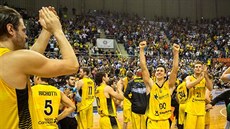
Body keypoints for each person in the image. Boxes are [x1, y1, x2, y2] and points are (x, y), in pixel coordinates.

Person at [0, 6, 79, 129]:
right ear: (10, 29)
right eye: (23, 30)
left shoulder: (10, 60)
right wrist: (57, 30)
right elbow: (73, 65)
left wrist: (46, 30)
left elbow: (30, 57)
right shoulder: (15, 59)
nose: (26, 36)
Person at [139, 41, 180, 129]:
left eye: (161, 71)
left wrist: (176, 53)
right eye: (157, 71)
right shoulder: (151, 85)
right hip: (153, 122)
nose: (159, 72)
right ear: (155, 74)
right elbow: (143, 67)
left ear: (165, 74)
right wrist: (141, 50)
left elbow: (175, 69)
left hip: (165, 122)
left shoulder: (169, 86)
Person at [184, 62, 213, 129]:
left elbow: (210, 88)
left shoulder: (205, 79)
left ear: (202, 68)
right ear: (193, 69)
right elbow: (188, 86)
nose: (198, 68)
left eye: (200, 67)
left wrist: (205, 75)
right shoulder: (189, 77)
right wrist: (200, 79)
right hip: (191, 109)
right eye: (196, 67)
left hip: (201, 109)